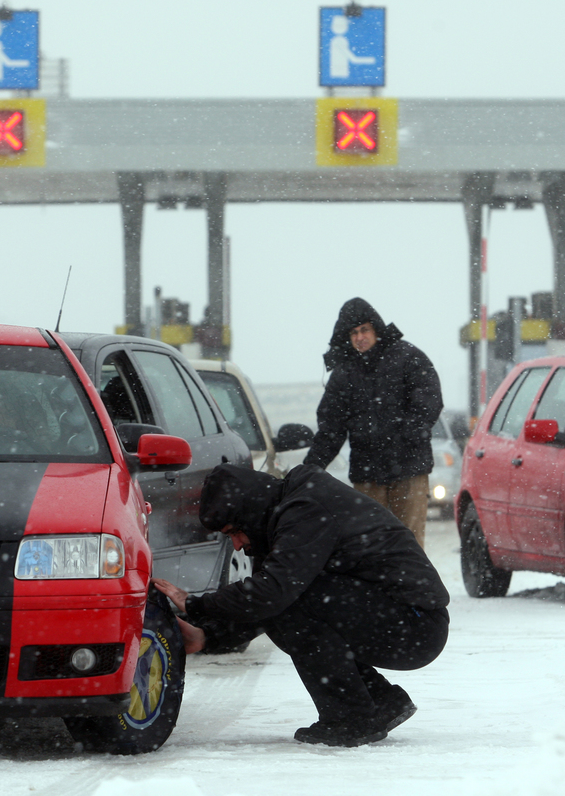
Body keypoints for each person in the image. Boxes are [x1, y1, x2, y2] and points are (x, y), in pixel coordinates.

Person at [153, 463, 449, 748]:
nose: (238, 545)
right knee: (284, 598)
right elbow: (263, 604)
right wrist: (207, 636)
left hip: (415, 625)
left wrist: (197, 605)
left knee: (287, 601)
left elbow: (272, 596)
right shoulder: (281, 516)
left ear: (250, 512)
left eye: (234, 532)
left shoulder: (307, 509)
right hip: (399, 618)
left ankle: (353, 719)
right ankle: (377, 702)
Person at [304, 298, 443, 547]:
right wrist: (311, 468)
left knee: (409, 542)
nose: (360, 337)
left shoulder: (408, 357)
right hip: (367, 473)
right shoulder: (344, 374)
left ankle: (412, 587)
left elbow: (429, 399)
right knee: (369, 546)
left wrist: (411, 434)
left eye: (364, 330)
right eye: (354, 333)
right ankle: (378, 587)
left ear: (376, 329)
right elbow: (331, 428)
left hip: (408, 467)